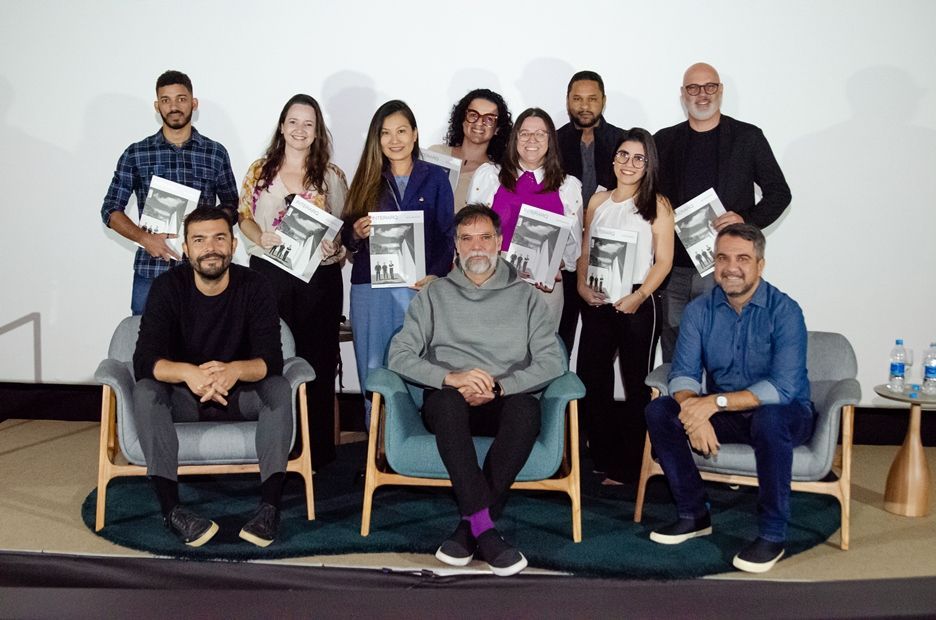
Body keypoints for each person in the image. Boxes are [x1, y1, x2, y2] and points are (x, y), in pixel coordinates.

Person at [388, 205, 564, 576]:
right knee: (447, 403)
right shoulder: (434, 295)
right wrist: (450, 378)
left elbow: (552, 363)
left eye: (485, 238)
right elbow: (399, 355)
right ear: (456, 246)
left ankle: (470, 528)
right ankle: (486, 529)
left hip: (503, 400)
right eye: (467, 239)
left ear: (499, 242)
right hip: (450, 402)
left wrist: (500, 387)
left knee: (527, 410)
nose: (477, 247)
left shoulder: (527, 297)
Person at [644, 223, 814, 574]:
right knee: (660, 411)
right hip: (730, 413)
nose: (731, 267)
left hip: (787, 415)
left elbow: (782, 388)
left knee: (769, 418)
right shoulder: (699, 311)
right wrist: (695, 413)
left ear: (760, 265)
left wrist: (712, 404)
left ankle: (773, 533)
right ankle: (694, 514)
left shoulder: (785, 311)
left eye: (742, 259)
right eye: (722, 258)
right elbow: (684, 374)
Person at [132, 207, 293, 548]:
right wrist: (188, 373)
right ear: (186, 249)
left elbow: (271, 360)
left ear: (233, 244)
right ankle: (172, 510)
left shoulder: (255, 285)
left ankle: (269, 508)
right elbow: (144, 360)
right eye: (199, 240)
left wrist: (234, 371)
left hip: (241, 397)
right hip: (184, 399)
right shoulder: (166, 287)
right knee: (146, 391)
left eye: (220, 238)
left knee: (279, 388)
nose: (211, 248)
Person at [238, 94, 348, 469]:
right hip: (269, 277)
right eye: (293, 122)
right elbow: (243, 217)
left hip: (319, 281)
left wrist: (336, 247)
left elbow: (344, 229)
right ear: (282, 127)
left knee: (318, 362)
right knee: (273, 360)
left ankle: (316, 453)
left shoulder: (332, 176)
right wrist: (260, 236)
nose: (300, 130)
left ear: (317, 132)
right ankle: (276, 448)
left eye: (308, 124)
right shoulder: (259, 171)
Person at [655, 62, 791, 362]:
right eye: (693, 88)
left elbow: (780, 193)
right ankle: (678, 395)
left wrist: (745, 220)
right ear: (683, 94)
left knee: (722, 351)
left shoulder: (748, 137)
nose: (702, 94)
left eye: (710, 86)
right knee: (676, 353)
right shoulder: (663, 140)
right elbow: (645, 197)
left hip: (722, 267)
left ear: (720, 91)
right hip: (672, 270)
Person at [342, 100, 455, 423]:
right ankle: (374, 437)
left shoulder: (436, 177)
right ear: (376, 139)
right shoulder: (367, 177)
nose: (394, 140)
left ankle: (413, 433)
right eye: (386, 133)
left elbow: (447, 235)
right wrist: (356, 233)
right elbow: (346, 236)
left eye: (402, 131)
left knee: (417, 361)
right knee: (373, 364)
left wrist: (435, 274)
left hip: (418, 287)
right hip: (371, 288)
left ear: (415, 134)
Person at [576, 128, 674, 484]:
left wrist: (640, 295)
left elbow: (664, 260)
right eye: (623, 155)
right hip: (599, 298)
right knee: (591, 377)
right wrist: (581, 285)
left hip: (637, 301)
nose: (629, 164)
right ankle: (603, 456)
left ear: (649, 164)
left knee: (636, 383)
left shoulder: (657, 205)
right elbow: (585, 251)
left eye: (638, 158)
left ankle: (632, 465)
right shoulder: (597, 202)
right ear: (613, 158)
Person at [101, 70, 238, 315]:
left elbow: (231, 204)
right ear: (157, 106)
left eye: (181, 99)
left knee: (208, 336)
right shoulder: (136, 153)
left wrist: (207, 230)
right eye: (166, 100)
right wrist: (144, 238)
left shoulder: (215, 153)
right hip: (152, 269)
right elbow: (110, 210)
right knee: (145, 335)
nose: (174, 106)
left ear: (194, 103)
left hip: (204, 269)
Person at [467, 108, 583, 333]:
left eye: (540, 134)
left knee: (539, 351)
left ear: (550, 140)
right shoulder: (490, 176)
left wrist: (550, 265)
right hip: (491, 282)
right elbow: (470, 234)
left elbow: (572, 249)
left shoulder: (568, 187)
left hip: (542, 290)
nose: (532, 140)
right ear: (515, 138)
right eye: (525, 133)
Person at [557, 71, 626, 353]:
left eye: (592, 99)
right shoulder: (554, 141)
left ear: (603, 101)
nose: (584, 106)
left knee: (602, 340)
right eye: (577, 99)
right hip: (564, 250)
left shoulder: (622, 141)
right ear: (568, 101)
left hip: (608, 251)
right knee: (560, 332)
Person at [428, 89, 512, 210]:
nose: (479, 123)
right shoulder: (435, 154)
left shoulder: (495, 175)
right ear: (463, 120)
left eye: (489, 119)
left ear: (497, 129)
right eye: (473, 115)